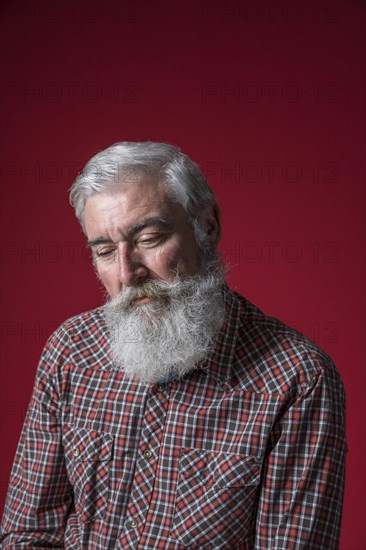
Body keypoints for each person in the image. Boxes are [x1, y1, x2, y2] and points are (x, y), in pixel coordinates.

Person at [0, 142, 347, 549]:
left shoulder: (297, 379)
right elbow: (28, 534)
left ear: (207, 226)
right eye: (106, 251)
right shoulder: (72, 350)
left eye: (149, 238)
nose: (127, 274)